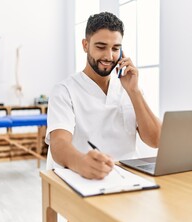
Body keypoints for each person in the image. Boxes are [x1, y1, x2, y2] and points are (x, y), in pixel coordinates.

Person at [46, 12, 161, 179]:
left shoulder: (129, 88)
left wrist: (134, 91)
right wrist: (82, 163)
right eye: (101, 47)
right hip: (83, 178)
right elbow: (58, 144)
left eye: (115, 48)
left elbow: (156, 140)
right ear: (85, 45)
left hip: (128, 177)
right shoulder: (64, 91)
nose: (109, 56)